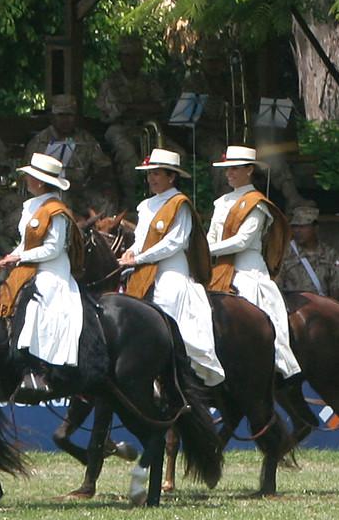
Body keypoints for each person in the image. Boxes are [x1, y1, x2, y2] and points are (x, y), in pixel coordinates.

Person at [119, 148, 223, 386]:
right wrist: (132, 251)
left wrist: (140, 258)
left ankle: (179, 369)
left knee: (168, 301)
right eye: (149, 174)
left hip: (172, 271)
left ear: (171, 176)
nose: (152, 179)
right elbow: (141, 238)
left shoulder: (180, 204)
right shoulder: (146, 205)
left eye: (157, 174)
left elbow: (175, 242)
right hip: (144, 271)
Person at [0, 153, 86, 400]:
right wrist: (10, 256)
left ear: (40, 182)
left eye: (30, 176)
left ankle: (37, 368)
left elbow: (53, 249)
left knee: (38, 299)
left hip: (52, 269)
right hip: (30, 265)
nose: (26, 179)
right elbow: (24, 244)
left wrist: (19, 258)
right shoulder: (32, 206)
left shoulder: (57, 210)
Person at [207, 146, 300, 379]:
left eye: (235, 169)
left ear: (249, 170)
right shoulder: (221, 202)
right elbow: (211, 235)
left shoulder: (257, 203)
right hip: (219, 268)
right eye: (227, 169)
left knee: (254, 302)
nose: (229, 174)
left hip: (248, 267)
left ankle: (277, 359)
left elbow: (243, 241)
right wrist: (203, 250)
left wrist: (206, 250)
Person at [96, 38, 166, 200]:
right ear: (120, 58)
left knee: (174, 154)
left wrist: (133, 106)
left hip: (146, 128)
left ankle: (166, 198)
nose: (132, 60)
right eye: (128, 56)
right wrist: (143, 106)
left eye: (136, 56)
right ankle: (130, 202)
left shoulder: (148, 81)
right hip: (118, 128)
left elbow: (160, 106)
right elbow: (118, 111)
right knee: (128, 156)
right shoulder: (111, 82)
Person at [23, 95, 114, 216]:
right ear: (52, 117)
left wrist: (92, 182)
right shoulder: (39, 141)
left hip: (81, 191)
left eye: (69, 115)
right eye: (61, 115)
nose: (66, 120)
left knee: (107, 202)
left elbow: (104, 166)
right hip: (48, 191)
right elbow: (27, 174)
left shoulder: (86, 139)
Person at [278, 204, 339, 298]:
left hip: (321, 308)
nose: (297, 231)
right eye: (295, 227)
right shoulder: (285, 253)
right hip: (293, 309)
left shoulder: (330, 255)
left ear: (315, 227)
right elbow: (276, 286)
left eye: (303, 227)